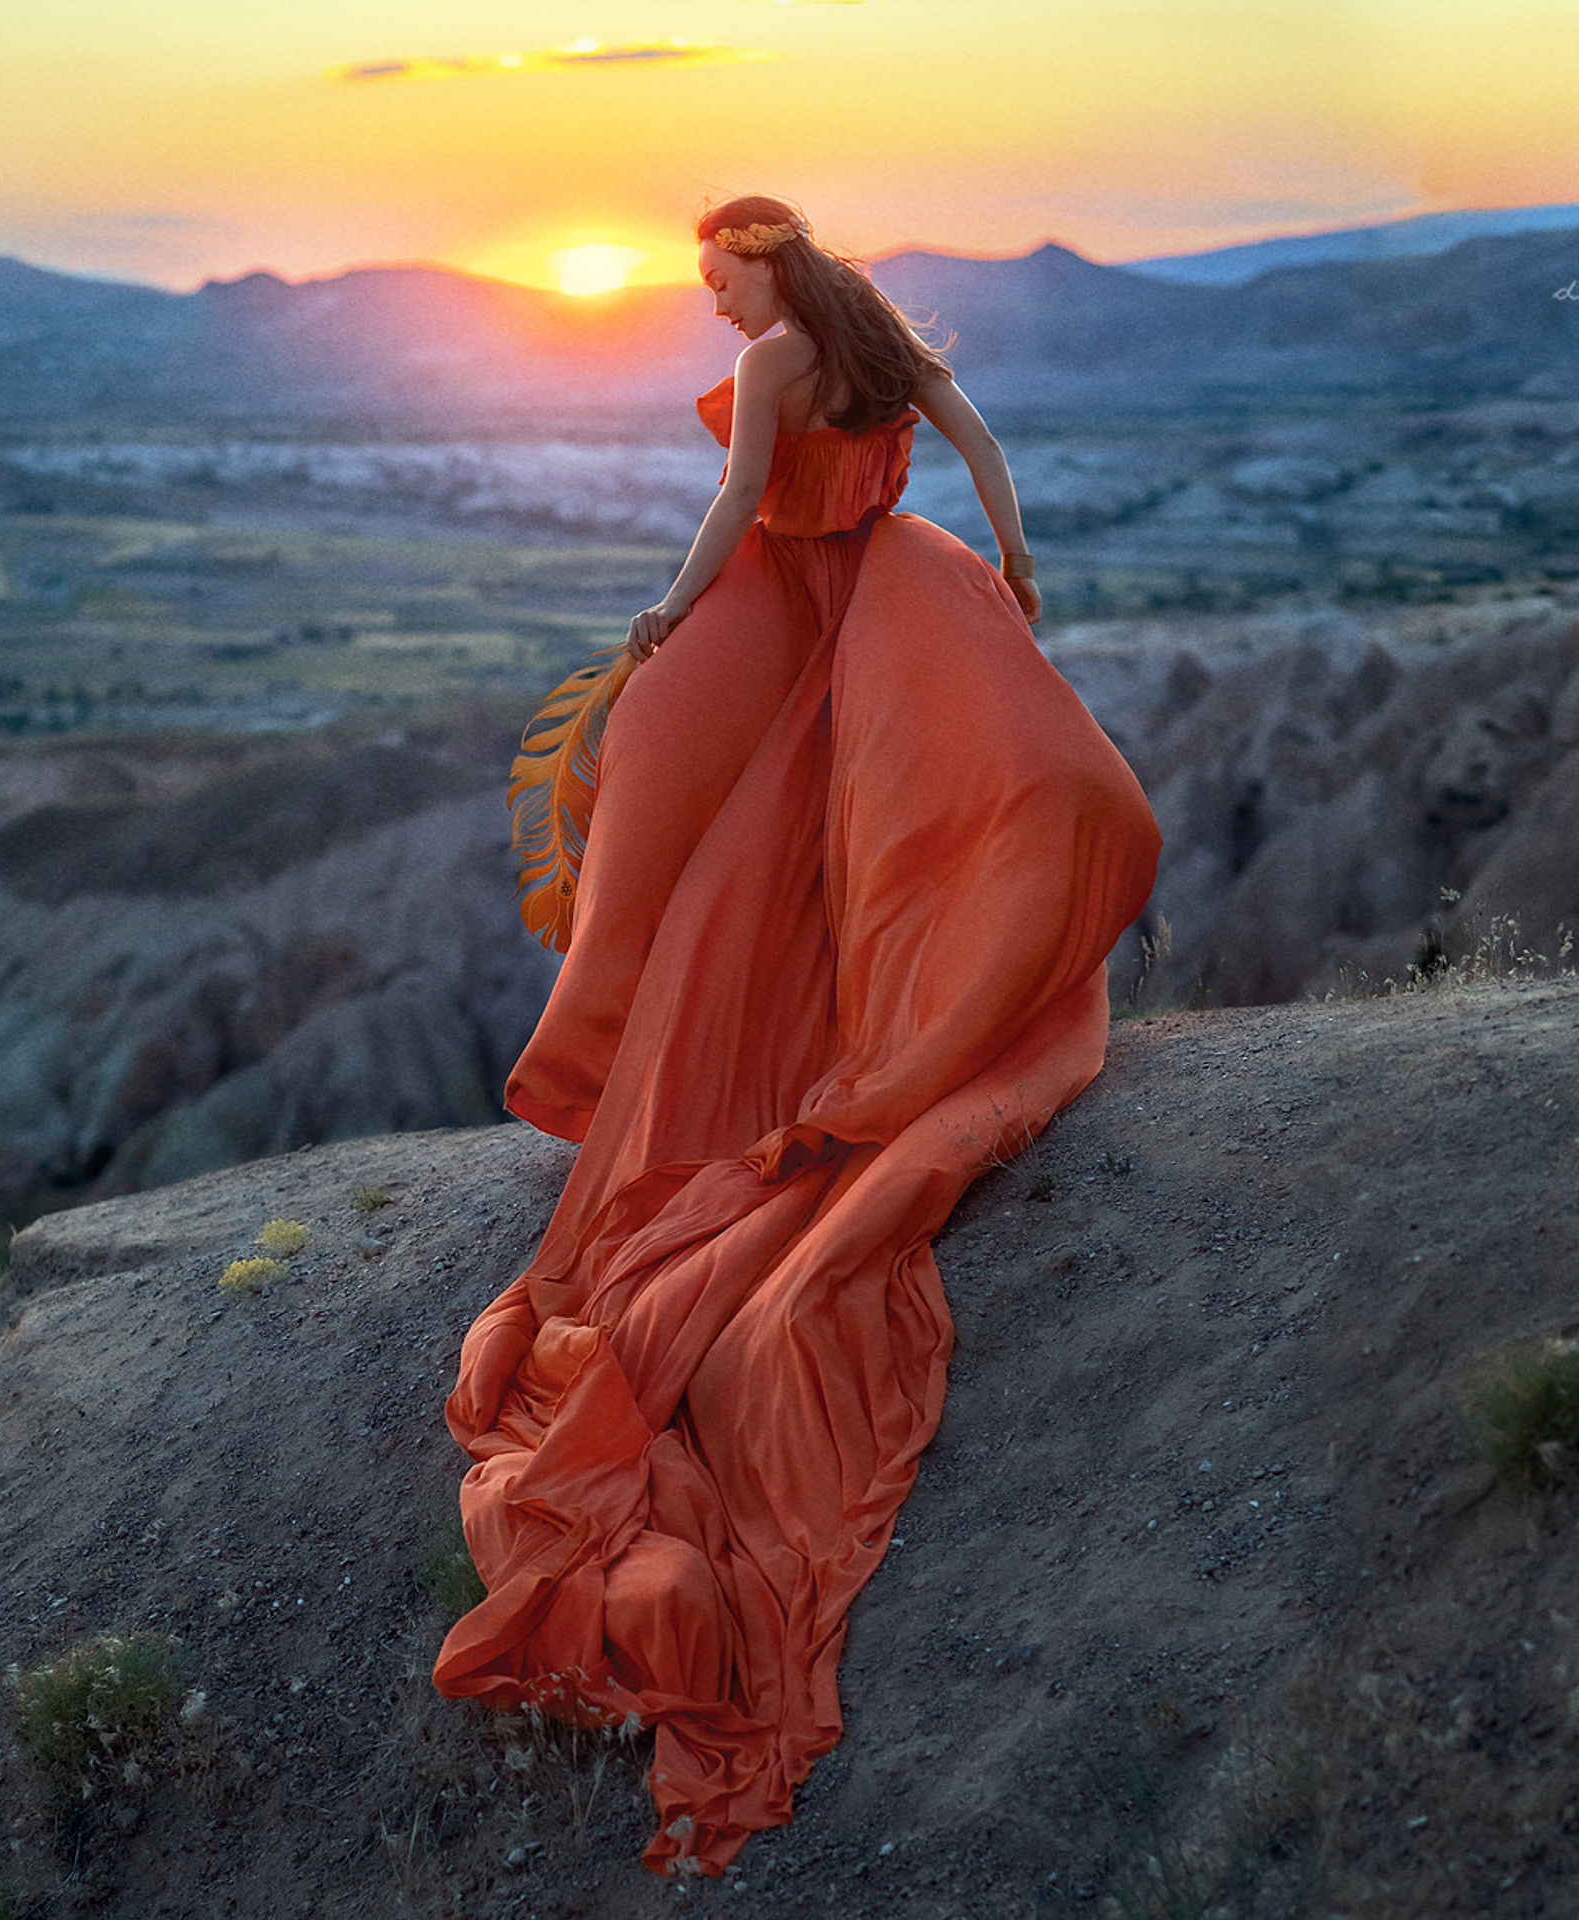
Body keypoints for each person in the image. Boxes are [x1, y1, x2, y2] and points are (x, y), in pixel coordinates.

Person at [433, 195, 1162, 1876]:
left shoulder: (776, 361)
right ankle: (902, 1019)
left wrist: (668, 622)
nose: (704, 301)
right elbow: (977, 441)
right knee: (871, 843)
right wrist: (1013, 556)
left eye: (714, 275)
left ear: (766, 273)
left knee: (726, 869)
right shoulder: (874, 337)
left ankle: (811, 1061)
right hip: (904, 585)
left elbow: (735, 505)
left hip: (805, 602)